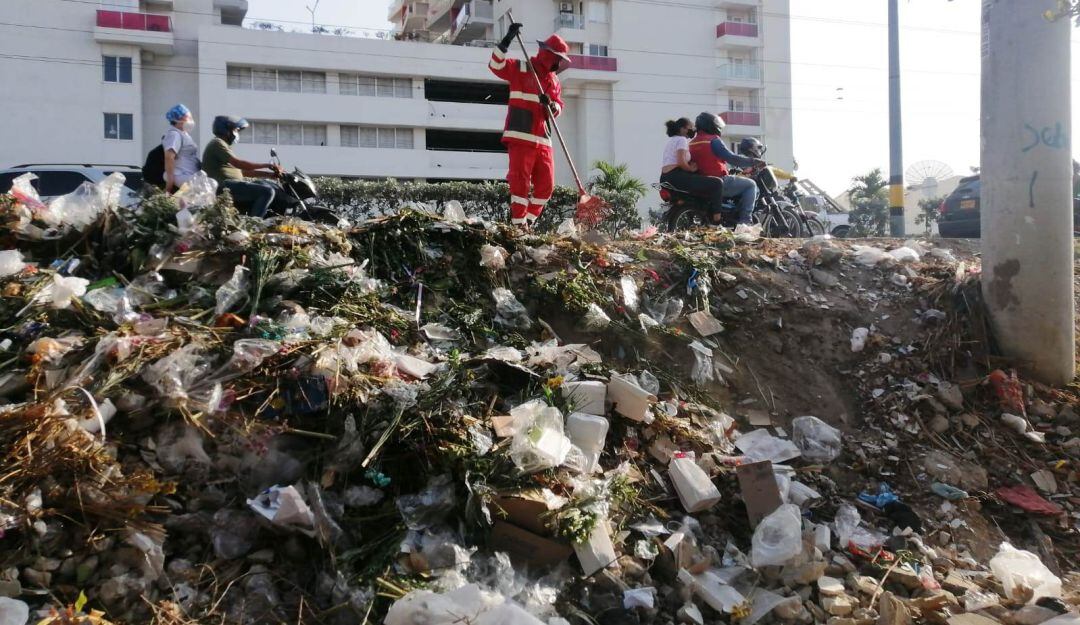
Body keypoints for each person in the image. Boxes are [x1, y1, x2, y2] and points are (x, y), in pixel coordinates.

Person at [489, 23, 570, 228]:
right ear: (548, 55)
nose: (559, 63)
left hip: (543, 139)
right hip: (520, 135)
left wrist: (551, 105)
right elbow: (495, 65)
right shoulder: (520, 68)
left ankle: (527, 223)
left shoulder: (553, 81)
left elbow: (559, 107)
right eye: (558, 58)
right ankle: (518, 227)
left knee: (546, 187)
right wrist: (507, 39)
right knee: (520, 184)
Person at [689, 112, 765, 224]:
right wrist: (753, 161)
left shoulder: (692, 143)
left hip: (702, 183)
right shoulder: (713, 140)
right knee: (751, 185)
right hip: (719, 182)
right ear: (711, 125)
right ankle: (745, 221)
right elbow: (731, 158)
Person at [202, 116, 283, 218]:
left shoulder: (223, 146)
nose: (237, 133)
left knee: (266, 185)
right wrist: (267, 165)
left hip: (230, 185)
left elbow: (242, 172)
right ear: (227, 130)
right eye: (236, 130)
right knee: (267, 192)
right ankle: (253, 225)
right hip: (224, 187)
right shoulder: (217, 143)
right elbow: (238, 163)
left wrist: (270, 175)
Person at [659, 118, 725, 217]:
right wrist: (690, 169)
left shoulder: (671, 140)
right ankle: (717, 219)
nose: (693, 129)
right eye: (691, 127)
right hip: (676, 176)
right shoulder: (682, 140)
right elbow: (681, 162)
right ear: (682, 129)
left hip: (665, 177)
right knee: (717, 183)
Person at [162, 104, 200, 194]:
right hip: (180, 174)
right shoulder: (174, 134)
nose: (191, 121)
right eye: (188, 118)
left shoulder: (184, 134)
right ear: (177, 119)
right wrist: (170, 181)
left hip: (189, 174)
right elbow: (169, 157)